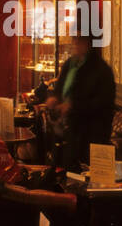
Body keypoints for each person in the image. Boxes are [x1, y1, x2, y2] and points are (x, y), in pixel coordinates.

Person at [44, 34, 115, 171]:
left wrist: (72, 106)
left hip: (91, 134)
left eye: (79, 39)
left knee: (82, 178)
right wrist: (54, 98)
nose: (75, 42)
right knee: (64, 173)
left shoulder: (101, 70)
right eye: (74, 39)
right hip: (68, 129)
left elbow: (103, 104)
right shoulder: (70, 64)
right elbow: (59, 89)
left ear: (90, 43)